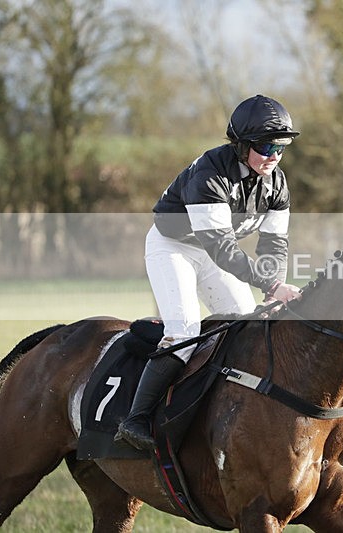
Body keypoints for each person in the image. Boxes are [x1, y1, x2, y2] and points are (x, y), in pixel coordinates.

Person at [115, 95, 302, 451]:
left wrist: (271, 283)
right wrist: (273, 284)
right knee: (183, 331)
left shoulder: (276, 183)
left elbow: (274, 244)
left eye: (281, 147)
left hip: (213, 254)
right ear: (243, 145)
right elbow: (223, 249)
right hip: (174, 248)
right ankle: (135, 419)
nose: (274, 156)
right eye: (265, 146)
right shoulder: (210, 174)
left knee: (245, 327)